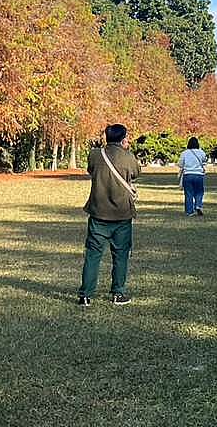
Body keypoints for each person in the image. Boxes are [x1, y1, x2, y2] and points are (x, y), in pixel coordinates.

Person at [78, 124, 140, 307]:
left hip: (98, 213)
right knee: (120, 255)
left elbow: (91, 170)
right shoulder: (128, 157)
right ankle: (117, 293)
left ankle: (86, 295)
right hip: (122, 215)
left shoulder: (95, 155)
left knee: (93, 255)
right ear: (123, 138)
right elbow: (136, 173)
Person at [178, 137, 207, 217]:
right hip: (199, 174)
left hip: (187, 175)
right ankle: (198, 205)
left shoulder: (184, 153)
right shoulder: (201, 152)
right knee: (199, 192)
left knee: (188, 193)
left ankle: (189, 211)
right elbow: (204, 162)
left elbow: (180, 164)